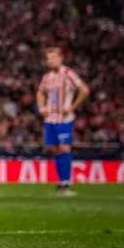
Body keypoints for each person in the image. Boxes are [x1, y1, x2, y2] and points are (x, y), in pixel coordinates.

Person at [37, 47, 90, 196]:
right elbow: (40, 92)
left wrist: (72, 107)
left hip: (64, 119)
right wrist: (42, 107)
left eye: (54, 57)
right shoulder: (47, 77)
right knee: (54, 149)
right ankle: (61, 182)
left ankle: (66, 182)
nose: (51, 61)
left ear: (61, 58)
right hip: (50, 118)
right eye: (49, 58)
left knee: (64, 148)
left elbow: (84, 90)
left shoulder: (68, 73)